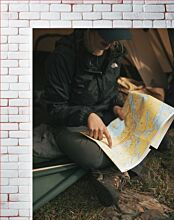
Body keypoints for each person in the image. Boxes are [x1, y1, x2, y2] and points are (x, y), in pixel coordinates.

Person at [41, 29, 133, 207]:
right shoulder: (64, 56)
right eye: (105, 36)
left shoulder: (114, 52)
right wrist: (86, 115)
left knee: (141, 130)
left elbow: (111, 91)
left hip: (103, 116)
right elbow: (55, 107)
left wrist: (116, 105)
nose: (108, 43)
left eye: (114, 39)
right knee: (92, 156)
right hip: (70, 122)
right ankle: (116, 169)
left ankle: (110, 172)